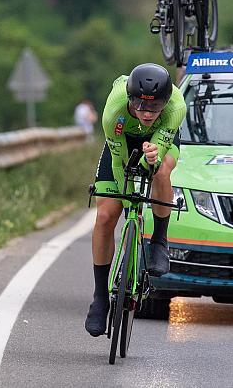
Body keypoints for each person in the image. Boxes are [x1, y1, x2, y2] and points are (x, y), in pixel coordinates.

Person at [84, 63, 186, 337]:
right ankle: (100, 297)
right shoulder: (113, 111)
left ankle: (159, 242)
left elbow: (157, 154)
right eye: (140, 106)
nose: (148, 113)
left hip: (158, 142)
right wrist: (130, 203)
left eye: (155, 108)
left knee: (162, 168)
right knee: (106, 216)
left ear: (165, 103)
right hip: (121, 141)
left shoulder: (176, 107)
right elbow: (119, 164)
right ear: (130, 99)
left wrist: (150, 157)